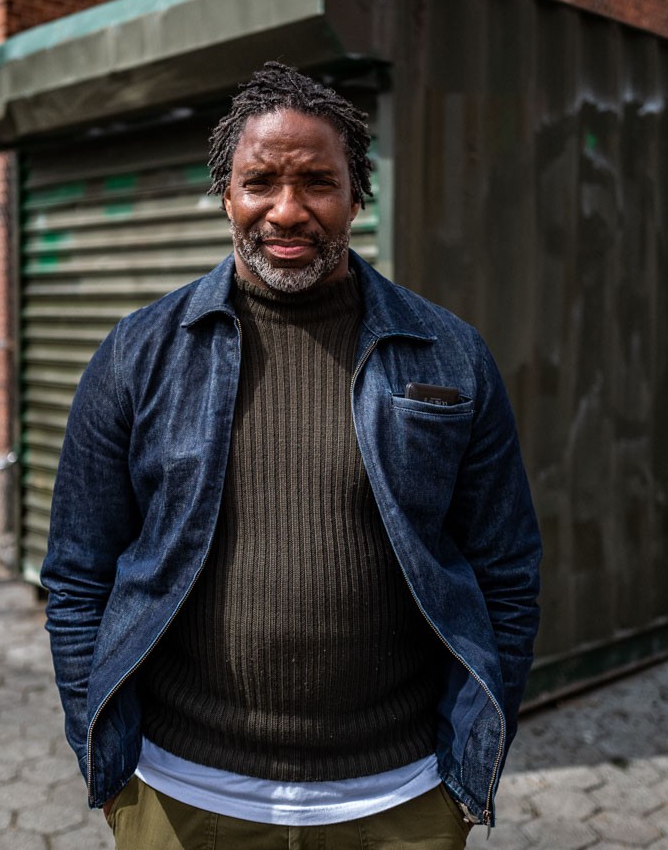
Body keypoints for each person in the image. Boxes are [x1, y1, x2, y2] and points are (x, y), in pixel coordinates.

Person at [41, 62, 542, 849]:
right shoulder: (139, 354)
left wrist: (466, 770)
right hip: (181, 792)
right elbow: (77, 575)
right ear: (226, 194)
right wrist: (104, 762)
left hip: (398, 798)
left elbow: (506, 571)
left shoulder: (449, 355)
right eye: (260, 182)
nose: (287, 209)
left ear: (355, 195)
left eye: (317, 182)